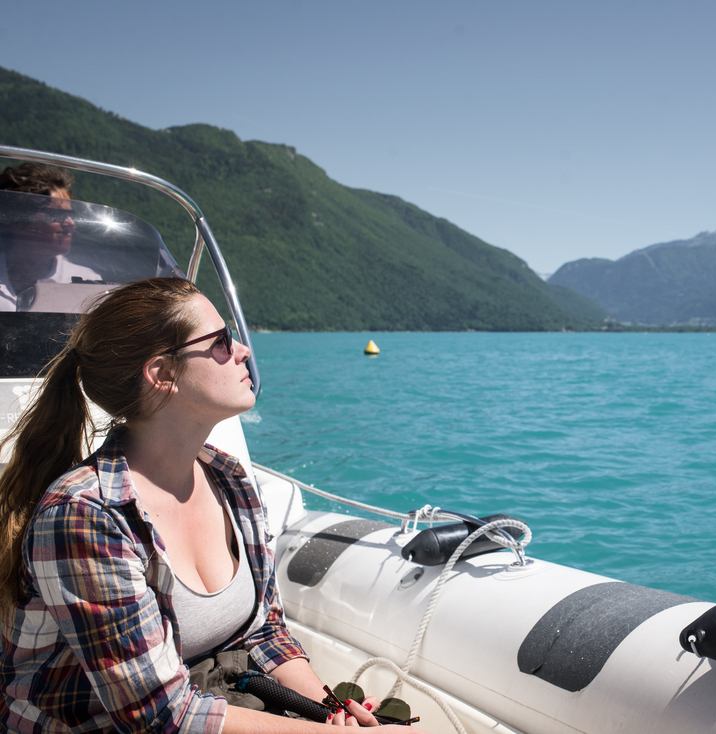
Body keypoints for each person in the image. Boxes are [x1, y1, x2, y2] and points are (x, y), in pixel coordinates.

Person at [0, 277, 423, 732]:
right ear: (162, 373)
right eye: (220, 341)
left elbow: (263, 632)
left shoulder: (227, 477)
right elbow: (160, 716)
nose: (242, 350)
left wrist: (331, 710)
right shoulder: (86, 517)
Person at [0, 162, 101, 311]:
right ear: (19, 219)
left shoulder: (88, 284)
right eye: (58, 214)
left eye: (71, 215)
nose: (70, 223)